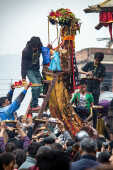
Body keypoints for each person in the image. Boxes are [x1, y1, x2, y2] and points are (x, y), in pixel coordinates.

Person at [80, 52, 106, 127]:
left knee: (95, 108)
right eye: (96, 59)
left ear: (100, 60)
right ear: (94, 58)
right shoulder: (89, 64)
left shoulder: (102, 67)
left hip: (96, 89)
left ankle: (94, 126)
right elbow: (80, 70)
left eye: (98, 60)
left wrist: (95, 78)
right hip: (88, 88)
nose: (96, 61)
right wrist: (87, 73)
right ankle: (83, 124)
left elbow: (102, 79)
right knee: (85, 106)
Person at [21, 36, 43, 111]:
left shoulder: (39, 46)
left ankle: (33, 103)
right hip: (29, 70)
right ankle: (34, 105)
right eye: (34, 47)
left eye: (36, 47)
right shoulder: (25, 51)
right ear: (31, 45)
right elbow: (23, 65)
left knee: (40, 87)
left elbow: (44, 51)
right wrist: (23, 78)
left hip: (36, 69)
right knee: (35, 86)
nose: (35, 48)